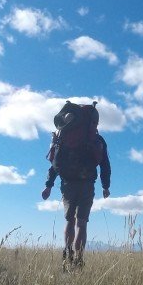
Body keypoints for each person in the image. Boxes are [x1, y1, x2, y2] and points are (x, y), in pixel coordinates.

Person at [41, 103, 111, 269]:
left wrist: (49, 185)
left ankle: (67, 253)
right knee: (82, 223)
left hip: (67, 183)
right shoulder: (96, 139)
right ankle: (79, 258)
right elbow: (105, 164)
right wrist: (105, 186)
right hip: (87, 183)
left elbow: (55, 163)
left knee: (69, 221)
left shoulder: (64, 137)